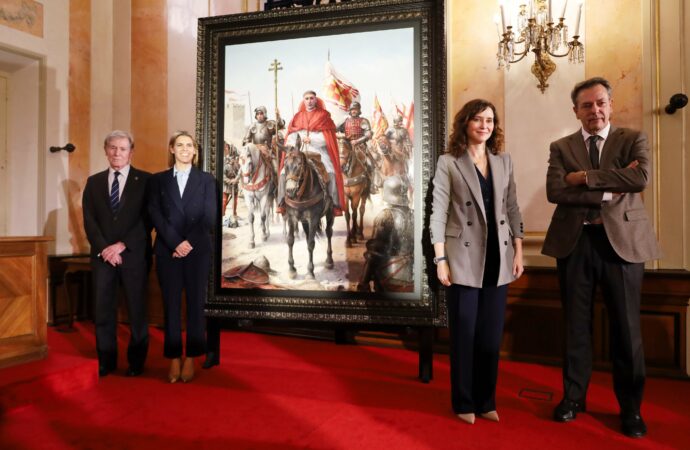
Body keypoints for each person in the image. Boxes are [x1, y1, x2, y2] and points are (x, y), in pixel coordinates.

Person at [543, 77, 661, 438]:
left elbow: (640, 178)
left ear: (610, 105)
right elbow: (554, 190)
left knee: (627, 330)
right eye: (586, 105)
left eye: (600, 103)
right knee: (576, 328)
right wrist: (609, 189)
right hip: (575, 244)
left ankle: (631, 409)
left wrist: (583, 178)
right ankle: (574, 398)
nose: (594, 111)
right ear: (575, 111)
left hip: (622, 244)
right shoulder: (561, 146)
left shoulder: (632, 139)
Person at [430, 99, 524, 424]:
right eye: (478, 120)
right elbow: (438, 212)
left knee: (489, 336)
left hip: (499, 258)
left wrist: (519, 251)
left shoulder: (504, 161)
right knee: (464, 335)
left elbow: (513, 209)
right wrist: (440, 258)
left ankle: (487, 401)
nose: (485, 125)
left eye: (490, 120)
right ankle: (464, 402)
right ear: (465, 124)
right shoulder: (449, 162)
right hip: (462, 257)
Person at [148, 131, 217, 383]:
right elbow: (154, 214)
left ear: (195, 151)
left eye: (190, 145)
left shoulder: (207, 180)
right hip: (168, 251)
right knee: (171, 305)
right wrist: (176, 242)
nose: (186, 149)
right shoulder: (158, 181)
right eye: (180, 145)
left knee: (196, 306)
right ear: (172, 149)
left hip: (197, 251)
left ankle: (192, 357)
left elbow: (209, 216)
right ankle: (174, 357)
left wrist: (188, 243)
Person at [82, 130, 152, 377]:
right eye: (112, 147)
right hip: (103, 258)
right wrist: (105, 248)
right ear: (105, 150)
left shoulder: (145, 181)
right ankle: (106, 361)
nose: (117, 153)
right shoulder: (94, 182)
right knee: (103, 311)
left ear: (131, 152)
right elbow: (89, 221)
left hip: (133, 256)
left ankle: (136, 362)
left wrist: (122, 245)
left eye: (122, 149)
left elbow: (147, 220)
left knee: (137, 312)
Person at [277, 90, 345, 216]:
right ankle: (281, 202)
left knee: (330, 171)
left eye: (311, 98)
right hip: (300, 150)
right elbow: (291, 135)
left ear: (316, 100)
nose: (309, 101)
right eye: (307, 98)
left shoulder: (324, 115)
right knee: (282, 173)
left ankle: (334, 204)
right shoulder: (298, 116)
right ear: (304, 100)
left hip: (318, 150)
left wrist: (312, 139)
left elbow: (327, 137)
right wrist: (293, 144)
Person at [357, 175, 413, 292]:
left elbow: (373, 254)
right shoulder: (414, 215)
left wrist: (363, 282)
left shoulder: (385, 216)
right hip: (412, 276)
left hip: (390, 276)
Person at [337, 101, 377, 192]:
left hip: (360, 147)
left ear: (359, 110)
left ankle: (372, 185)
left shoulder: (363, 121)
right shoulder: (345, 121)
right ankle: (337, 184)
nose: (354, 111)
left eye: (356, 109)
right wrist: (339, 136)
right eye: (352, 109)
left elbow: (368, 134)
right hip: (346, 146)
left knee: (370, 163)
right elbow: (334, 130)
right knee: (336, 163)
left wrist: (357, 141)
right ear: (350, 111)